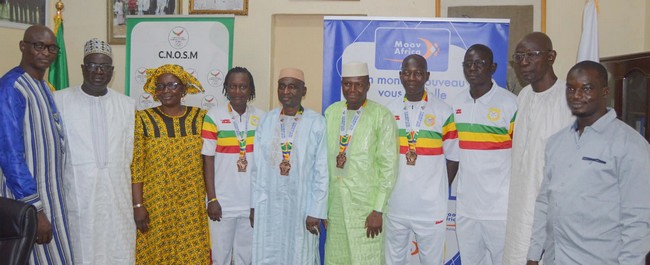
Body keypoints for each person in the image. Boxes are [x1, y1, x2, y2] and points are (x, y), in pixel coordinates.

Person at [527, 61, 650, 264]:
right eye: (571, 88)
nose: (576, 96)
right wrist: (533, 254)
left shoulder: (630, 145)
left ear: (605, 92)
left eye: (586, 89)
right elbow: (545, 203)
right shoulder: (557, 142)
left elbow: (638, 220)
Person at [54, 38, 136, 265]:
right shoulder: (59, 101)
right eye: (92, 65)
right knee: (82, 252)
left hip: (116, 196)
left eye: (104, 67)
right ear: (82, 68)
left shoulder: (127, 106)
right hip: (79, 196)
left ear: (112, 71)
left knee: (118, 250)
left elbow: (131, 155)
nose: (98, 71)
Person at [0, 25, 73, 264]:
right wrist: (36, 210)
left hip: (51, 198)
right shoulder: (12, 87)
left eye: (52, 48)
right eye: (39, 45)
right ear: (23, 47)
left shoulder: (43, 86)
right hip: (28, 203)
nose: (46, 52)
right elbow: (9, 154)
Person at [502, 32, 575, 265]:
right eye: (519, 56)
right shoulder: (523, 97)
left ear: (551, 57)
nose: (523, 62)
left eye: (532, 55)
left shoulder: (568, 98)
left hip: (553, 214)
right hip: (519, 207)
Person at [131, 64, 211, 264]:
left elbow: (210, 162)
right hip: (156, 203)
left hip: (191, 203)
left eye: (172, 85)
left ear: (183, 89)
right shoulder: (143, 119)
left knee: (191, 256)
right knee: (156, 254)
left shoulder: (200, 117)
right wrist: (138, 205)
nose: (166, 91)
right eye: (161, 86)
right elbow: (137, 165)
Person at [384, 54, 459, 264]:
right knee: (393, 260)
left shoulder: (444, 111)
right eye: (407, 73)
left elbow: (454, 158)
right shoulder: (389, 111)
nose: (412, 78)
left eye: (418, 73)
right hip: (396, 205)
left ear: (427, 76)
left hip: (430, 208)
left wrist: (437, 190)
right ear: (400, 76)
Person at [250, 67, 329, 264]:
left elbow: (322, 171)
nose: (286, 92)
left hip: (302, 205)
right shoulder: (267, 120)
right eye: (282, 87)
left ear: (304, 91)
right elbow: (256, 168)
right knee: (270, 251)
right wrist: (254, 205)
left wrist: (316, 211)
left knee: (299, 253)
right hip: (268, 204)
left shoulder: (316, 122)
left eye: (293, 87)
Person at [324, 62, 399, 265]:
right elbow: (323, 164)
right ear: (341, 84)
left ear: (368, 85)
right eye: (347, 84)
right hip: (336, 206)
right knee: (336, 259)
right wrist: (323, 208)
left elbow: (389, 166)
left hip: (366, 209)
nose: (353, 90)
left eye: (358, 84)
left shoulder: (381, 116)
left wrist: (378, 209)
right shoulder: (331, 113)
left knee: (366, 259)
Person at [451, 44, 517, 265]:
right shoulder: (456, 103)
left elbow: (521, 157)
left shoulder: (510, 104)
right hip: (467, 208)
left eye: (479, 63)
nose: (473, 68)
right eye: (468, 64)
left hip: (500, 210)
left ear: (493, 67)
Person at [202, 67, 265, 265]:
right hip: (222, 203)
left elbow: (263, 164)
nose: (237, 92)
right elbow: (207, 159)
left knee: (246, 258)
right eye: (233, 86)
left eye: (243, 87)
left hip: (250, 203)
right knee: (220, 257)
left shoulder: (262, 118)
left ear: (251, 90)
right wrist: (212, 198)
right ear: (226, 88)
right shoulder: (214, 116)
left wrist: (258, 202)